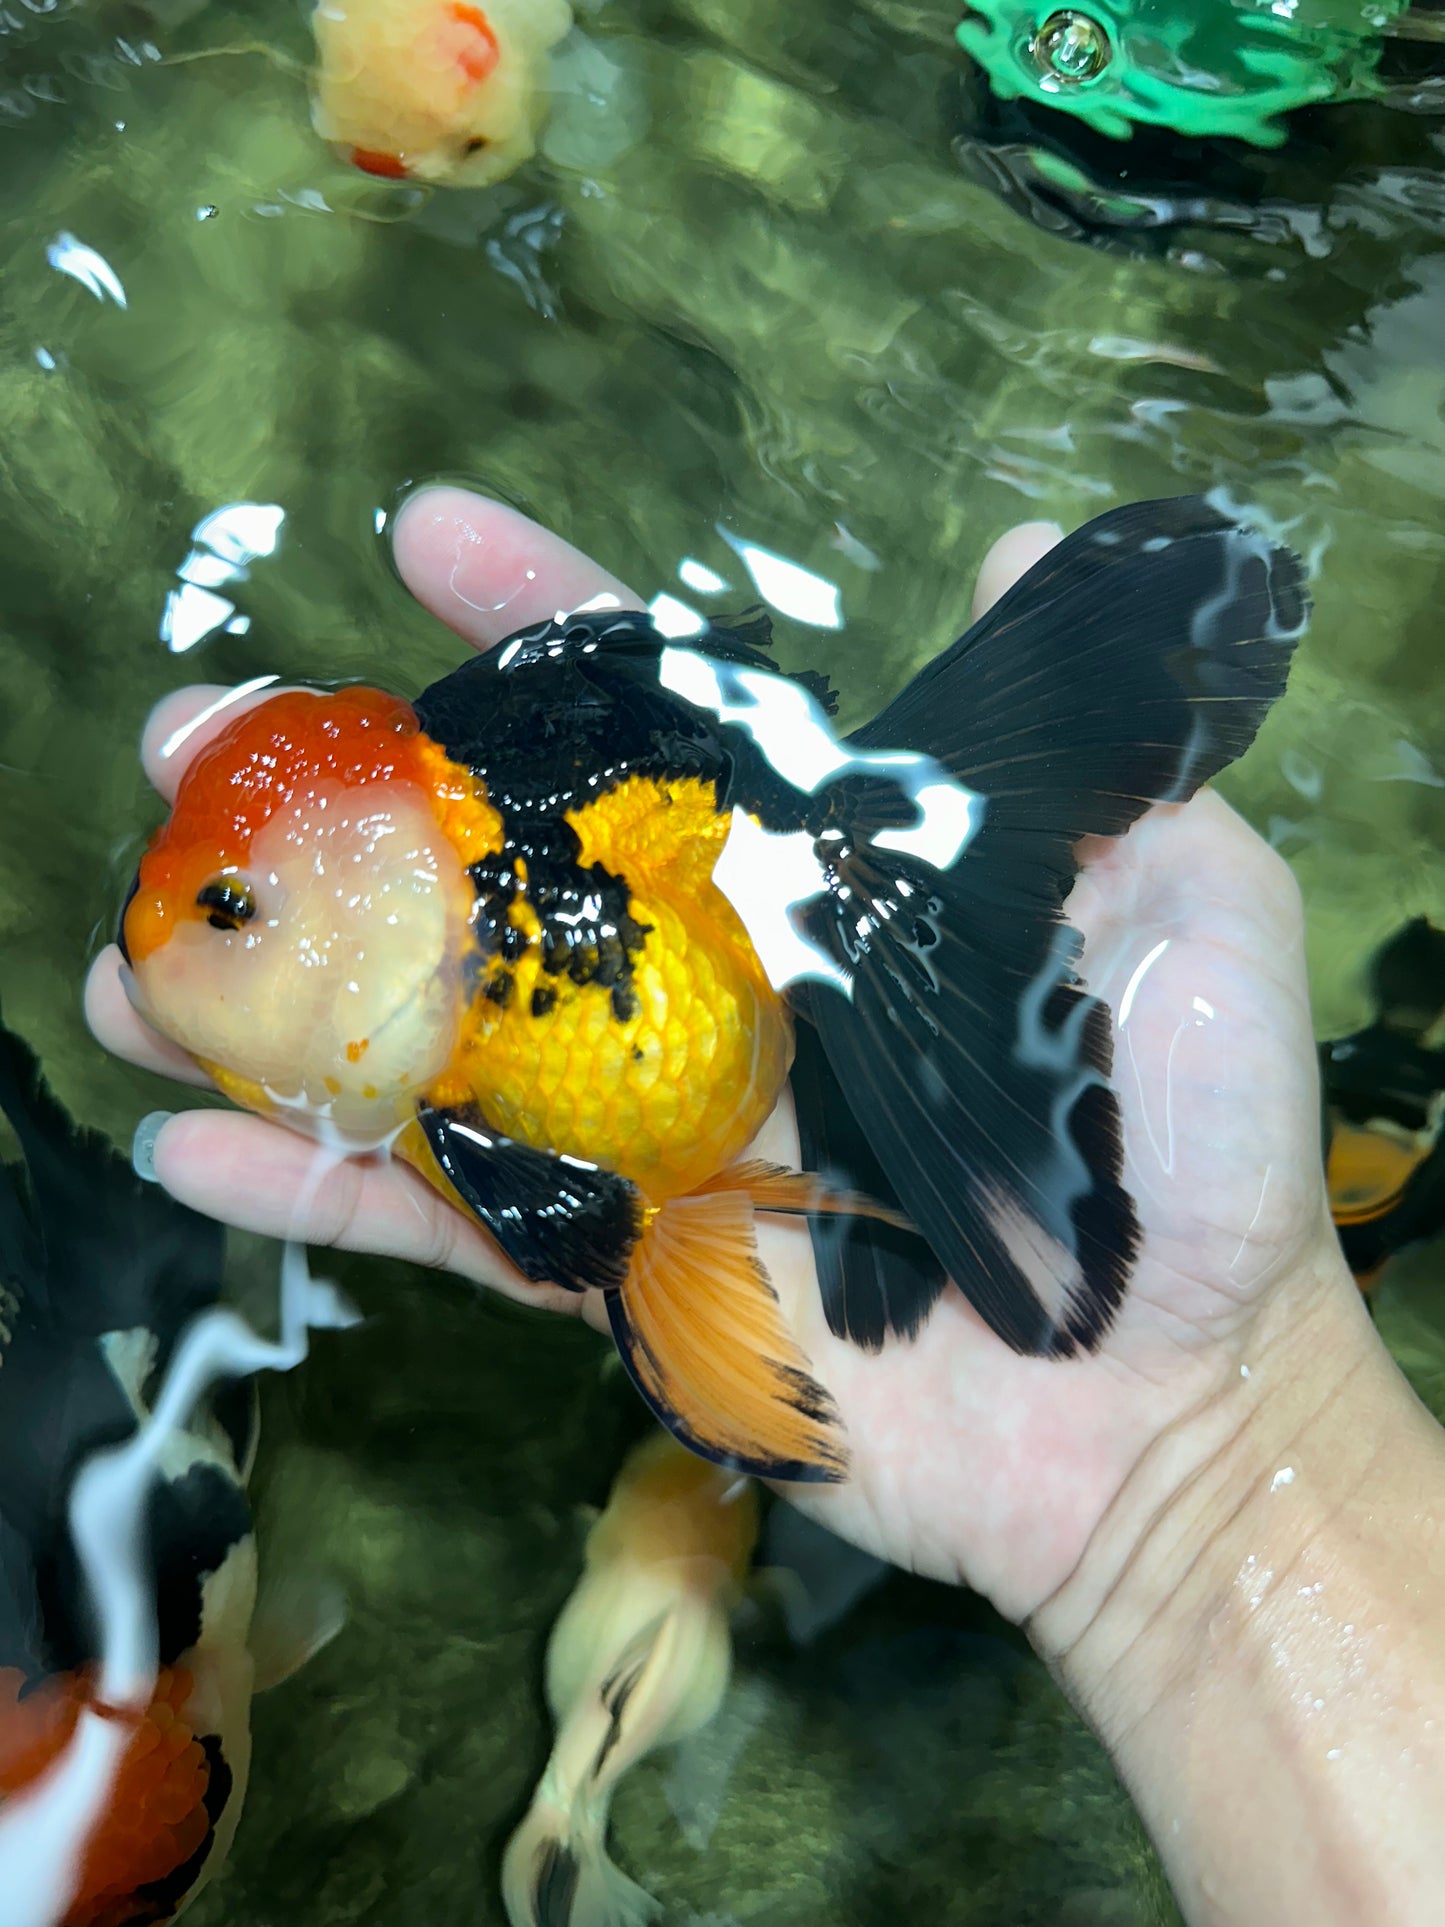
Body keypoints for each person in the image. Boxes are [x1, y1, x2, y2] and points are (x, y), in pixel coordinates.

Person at [85, 488, 1445, 1924]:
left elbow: (578, 1228)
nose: (168, 931)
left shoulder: (500, 928)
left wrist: (1216, 1447)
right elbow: (589, 1230)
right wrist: (1212, 1470)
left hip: (732, 971)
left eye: (230, 906)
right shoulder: (437, 1029)